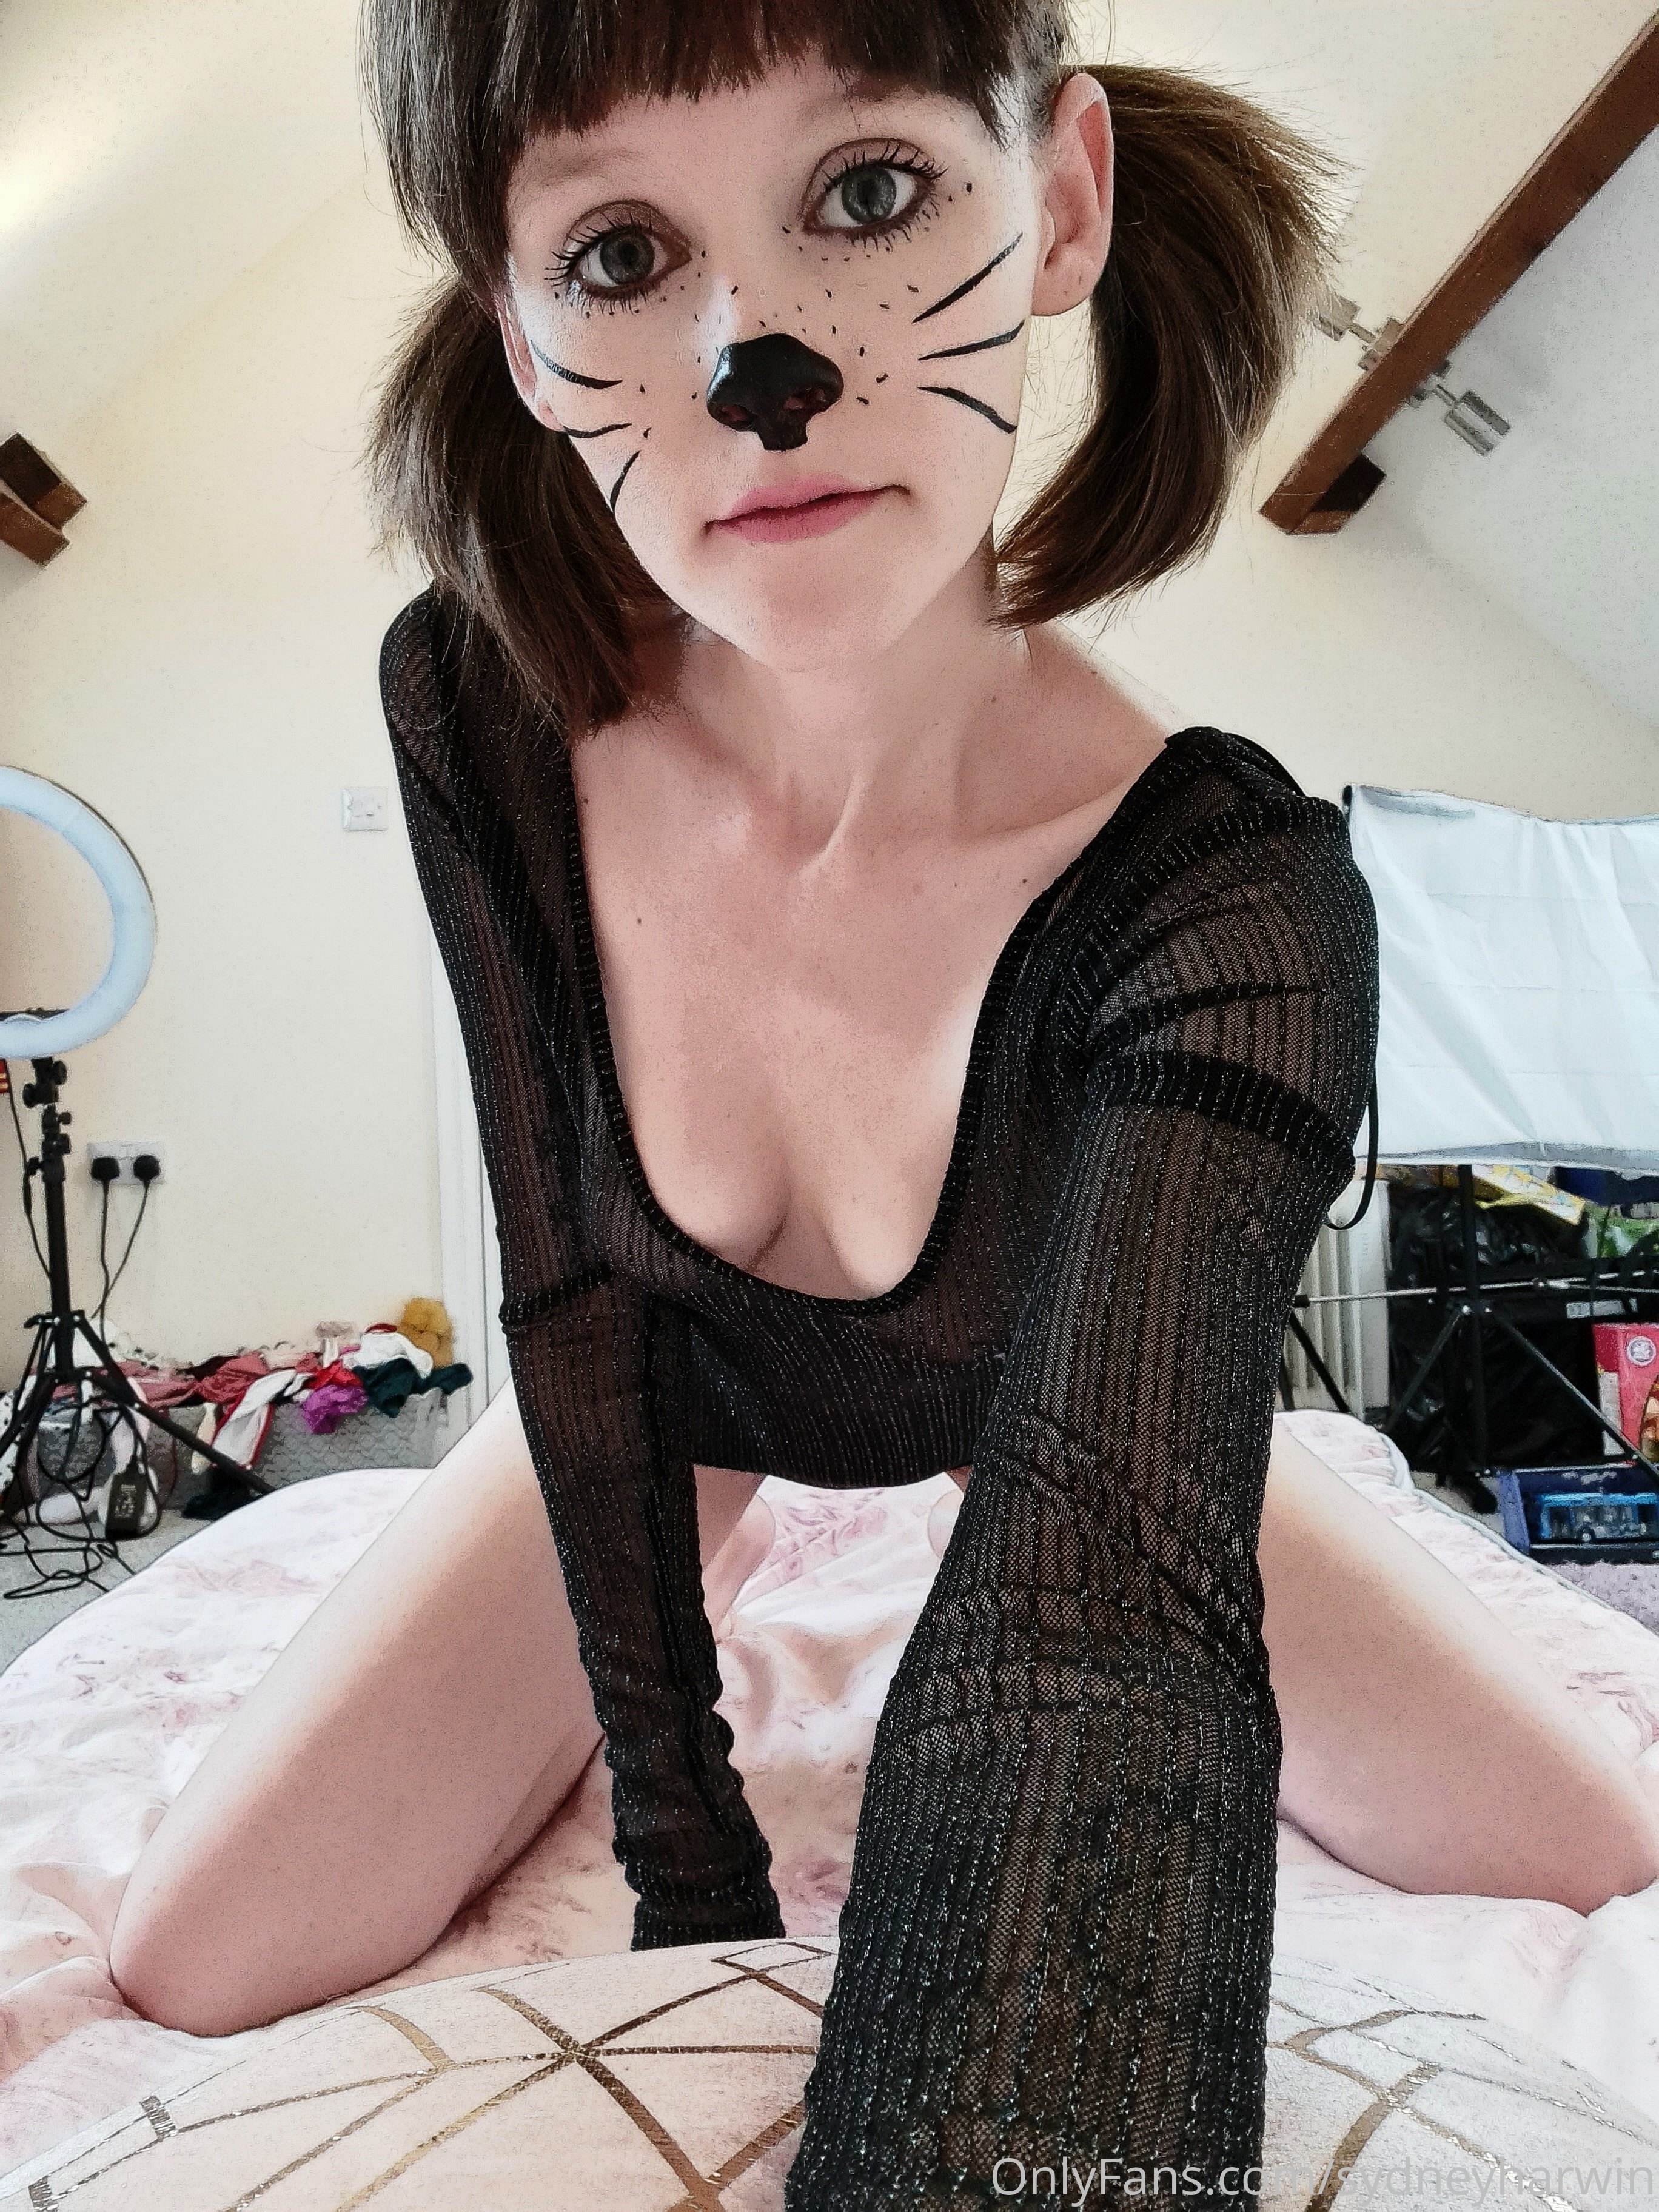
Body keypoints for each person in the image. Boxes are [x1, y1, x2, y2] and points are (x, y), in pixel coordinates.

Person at [109, 4, 1659, 2204]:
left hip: (1076, 1418)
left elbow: (1093, 1664)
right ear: (522, 333)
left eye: (867, 191)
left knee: (1588, 1842)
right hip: (668, 1404)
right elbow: (568, 1297)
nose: (759, 366)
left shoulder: (1231, 902)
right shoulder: (481, 704)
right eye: (622, 255)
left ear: (1064, 198)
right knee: (194, 1952)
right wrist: (696, 1888)